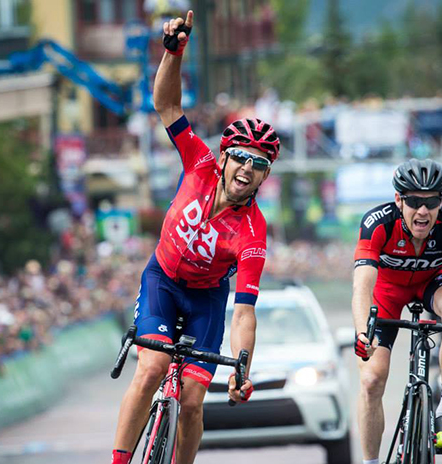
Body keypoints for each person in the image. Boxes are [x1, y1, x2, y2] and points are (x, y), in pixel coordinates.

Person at [111, 10, 281, 464]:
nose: (248, 167)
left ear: (264, 176)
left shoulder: (252, 231)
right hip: (162, 282)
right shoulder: (199, 164)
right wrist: (173, 52)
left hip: (206, 301)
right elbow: (167, 106)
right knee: (150, 369)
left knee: (190, 400)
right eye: (242, 157)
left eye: (259, 163)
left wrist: (242, 366)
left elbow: (244, 311)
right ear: (225, 158)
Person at [351, 159, 442, 464]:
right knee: (371, 381)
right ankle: (370, 462)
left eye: (431, 202)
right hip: (388, 292)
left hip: (434, 281)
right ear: (398, 200)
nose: (423, 211)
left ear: (441, 202)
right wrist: (362, 333)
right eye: (414, 202)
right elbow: (362, 287)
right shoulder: (377, 223)